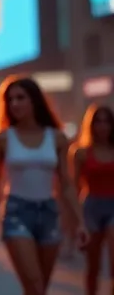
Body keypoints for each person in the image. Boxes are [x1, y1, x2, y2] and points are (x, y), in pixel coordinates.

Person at [0, 76, 88, 295]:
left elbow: (65, 184)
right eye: (10, 100)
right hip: (16, 212)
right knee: (35, 284)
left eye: (20, 98)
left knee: (38, 289)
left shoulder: (56, 137)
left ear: (34, 100)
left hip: (48, 212)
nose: (15, 104)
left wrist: (81, 222)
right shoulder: (2, 139)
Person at [72, 104, 114, 295]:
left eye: (107, 121)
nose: (103, 126)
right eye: (98, 121)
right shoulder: (81, 152)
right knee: (93, 264)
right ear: (91, 124)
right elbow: (73, 187)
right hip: (91, 206)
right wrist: (75, 221)